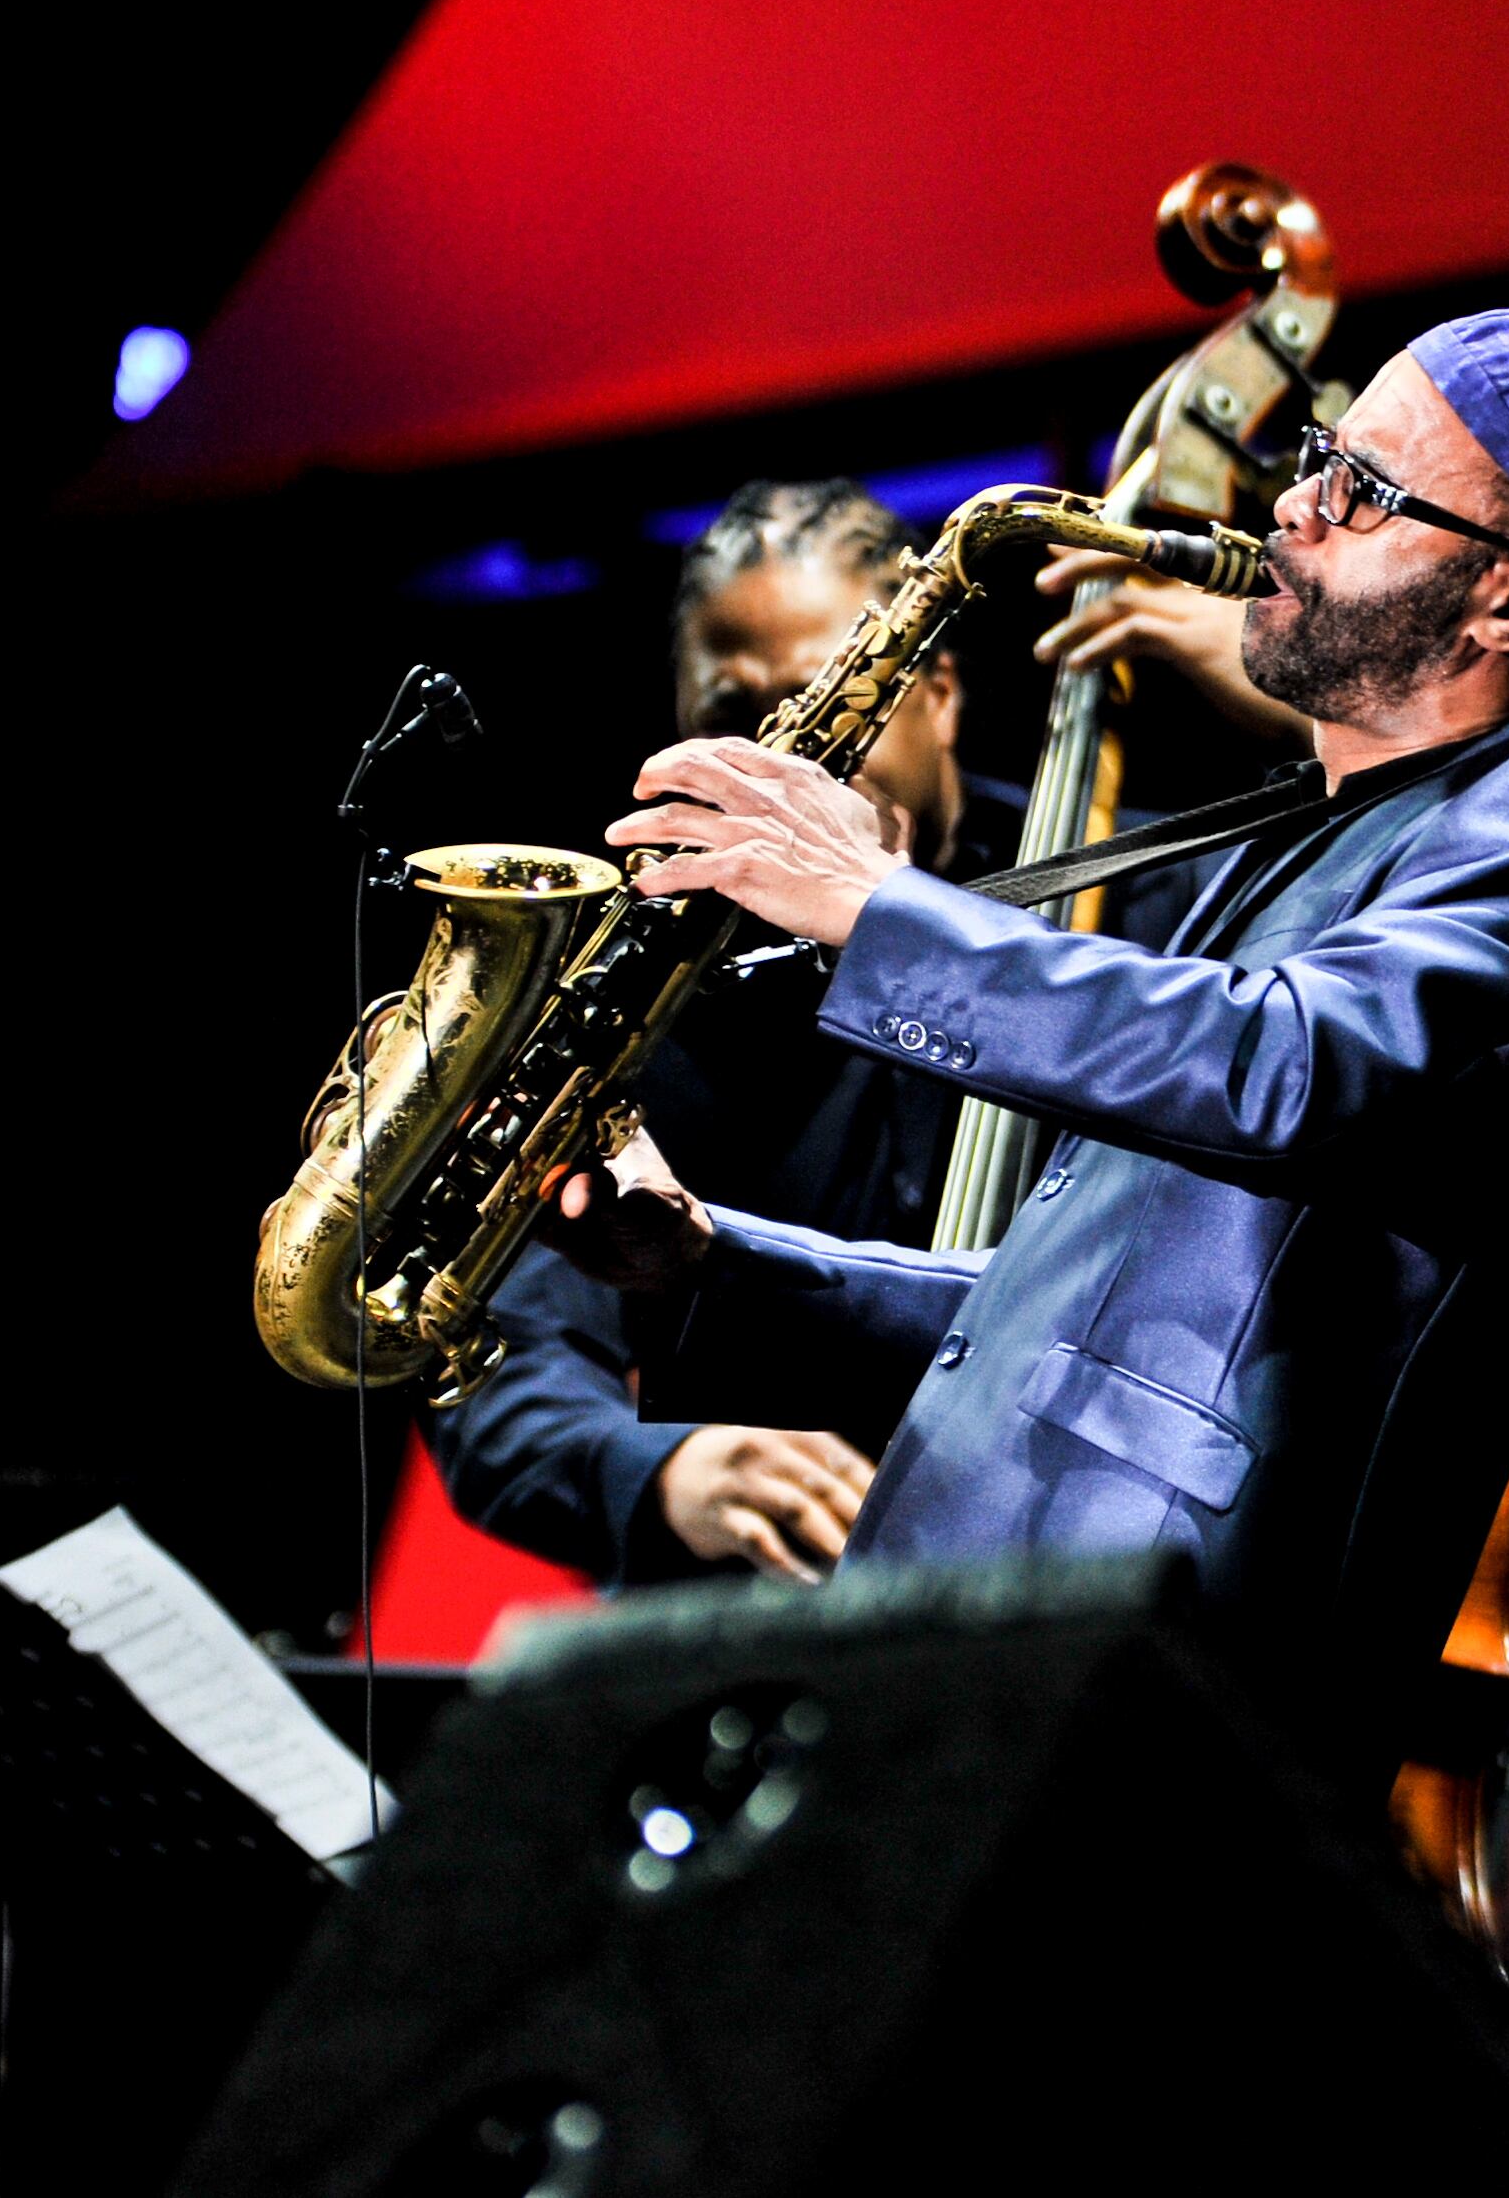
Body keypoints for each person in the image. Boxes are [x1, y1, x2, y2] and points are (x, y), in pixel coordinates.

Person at [556, 312, 1509, 1770]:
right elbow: (1069, 1302)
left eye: (1362, 489)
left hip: (1156, 1671)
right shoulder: (1322, 821)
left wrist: (874, 905)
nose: (1291, 505)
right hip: (1003, 1632)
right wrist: (726, 1257)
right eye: (1316, 458)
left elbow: (1284, 1065)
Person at [420, 479, 1211, 1587]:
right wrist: (660, 1471)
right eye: (728, 721)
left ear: (936, 692)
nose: (779, 764)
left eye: (823, 704)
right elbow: (508, 1345)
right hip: (767, 1631)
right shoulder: (641, 984)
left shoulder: (1163, 902)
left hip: (1100, 1599)